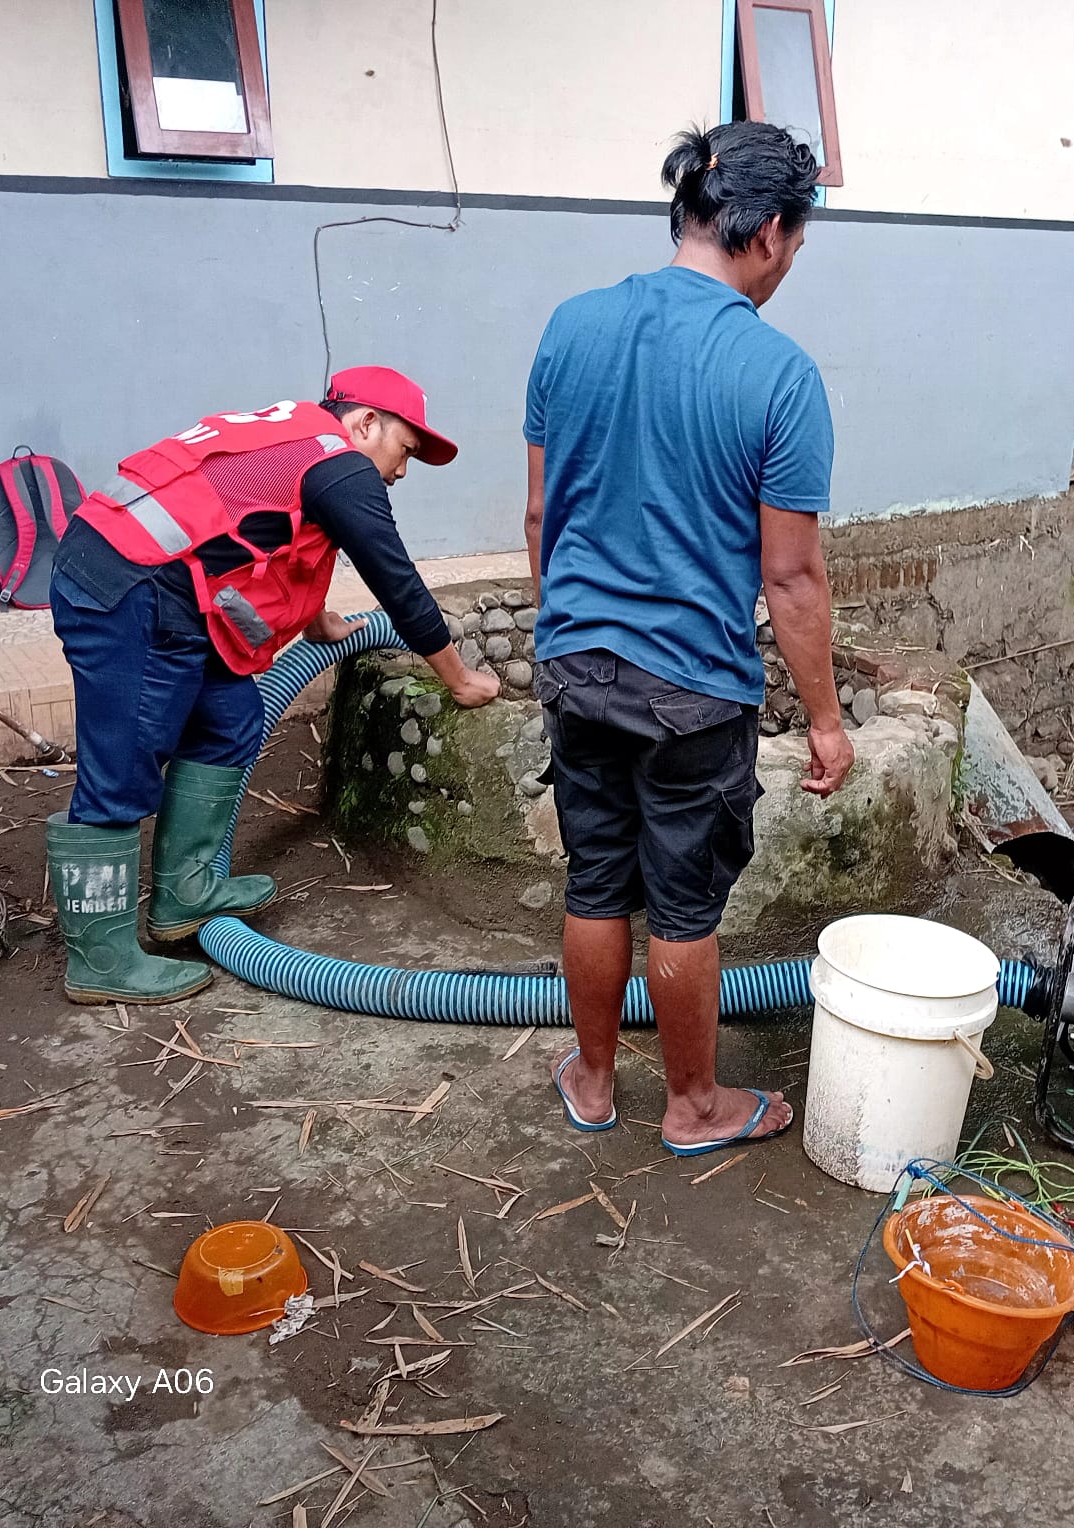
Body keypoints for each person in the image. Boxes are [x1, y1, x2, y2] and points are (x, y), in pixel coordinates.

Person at [523, 122, 854, 1158]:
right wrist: (827, 721)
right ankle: (693, 1104)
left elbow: (539, 521)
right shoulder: (779, 376)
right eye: (795, 244)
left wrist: (564, 636)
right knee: (681, 909)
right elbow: (790, 576)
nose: (790, 265)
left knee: (593, 879)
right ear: (764, 232)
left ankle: (588, 1073)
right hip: (691, 693)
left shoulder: (568, 328)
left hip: (576, 669)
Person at [47, 366, 500, 1006]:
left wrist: (318, 617)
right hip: (127, 588)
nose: (400, 472)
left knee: (231, 718)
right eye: (404, 450)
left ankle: (186, 891)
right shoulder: (344, 466)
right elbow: (397, 582)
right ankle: (101, 958)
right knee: (124, 763)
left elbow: (263, 526)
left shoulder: (299, 442)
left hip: (167, 588)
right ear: (366, 423)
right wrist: (458, 680)